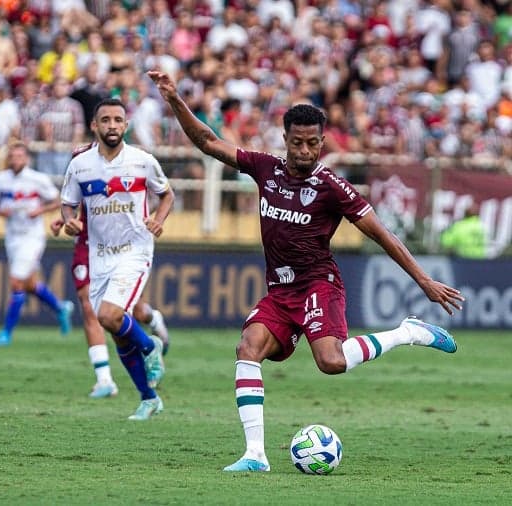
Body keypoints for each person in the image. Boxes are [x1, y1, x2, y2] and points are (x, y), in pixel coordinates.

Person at [148, 70, 464, 471]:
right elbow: (208, 142)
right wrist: (175, 99)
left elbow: (382, 234)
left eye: (313, 143)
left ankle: (409, 332)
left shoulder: (332, 187)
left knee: (330, 362)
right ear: (285, 139)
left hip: (319, 284)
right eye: (297, 142)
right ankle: (255, 455)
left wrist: (424, 281)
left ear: (322, 142)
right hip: (280, 292)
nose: (304, 150)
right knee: (248, 348)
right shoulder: (265, 168)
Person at [60, 98, 174, 420]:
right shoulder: (80, 165)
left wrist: (159, 219)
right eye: (105, 120)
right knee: (115, 329)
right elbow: (67, 202)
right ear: (94, 126)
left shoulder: (142, 161)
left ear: (126, 125)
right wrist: (69, 220)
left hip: (135, 250)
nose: (112, 125)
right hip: (99, 256)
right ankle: (149, 398)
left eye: (118, 120)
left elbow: (167, 194)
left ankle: (151, 347)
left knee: (111, 315)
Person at [50, 189, 170, 399]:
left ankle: (153, 319)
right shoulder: (81, 161)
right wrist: (67, 220)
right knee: (90, 309)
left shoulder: (129, 162)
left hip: (122, 247)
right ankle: (104, 379)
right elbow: (74, 201)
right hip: (87, 246)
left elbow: (156, 198)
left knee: (134, 312)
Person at [0, 141, 74, 346]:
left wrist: (40, 210)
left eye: (19, 156)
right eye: (12, 156)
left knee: (16, 281)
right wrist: (1, 212)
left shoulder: (37, 179)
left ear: (26, 159)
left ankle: (6, 333)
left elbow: (57, 200)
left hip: (32, 237)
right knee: (30, 285)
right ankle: (60, 307)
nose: (15, 160)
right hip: (12, 236)